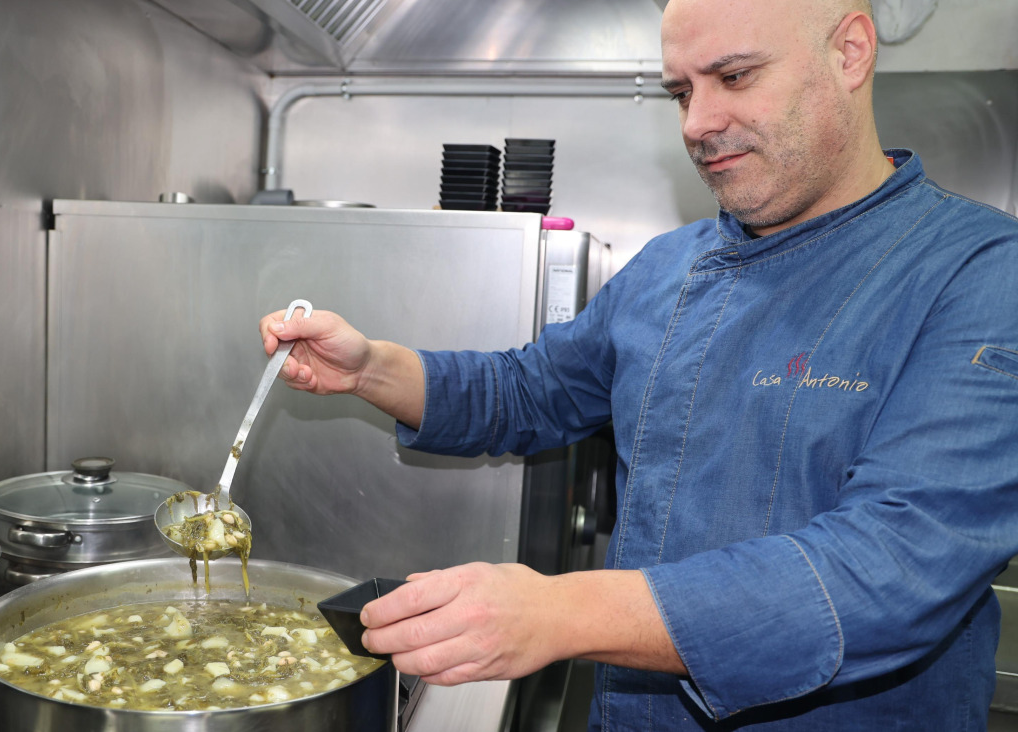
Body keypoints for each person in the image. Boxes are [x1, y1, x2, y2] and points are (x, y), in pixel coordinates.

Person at [259, 0, 1018, 727]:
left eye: (736, 76)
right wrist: (369, 369)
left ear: (850, 51)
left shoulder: (979, 272)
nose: (699, 123)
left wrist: (559, 612)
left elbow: (893, 566)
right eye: (681, 91)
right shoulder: (671, 266)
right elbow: (527, 392)